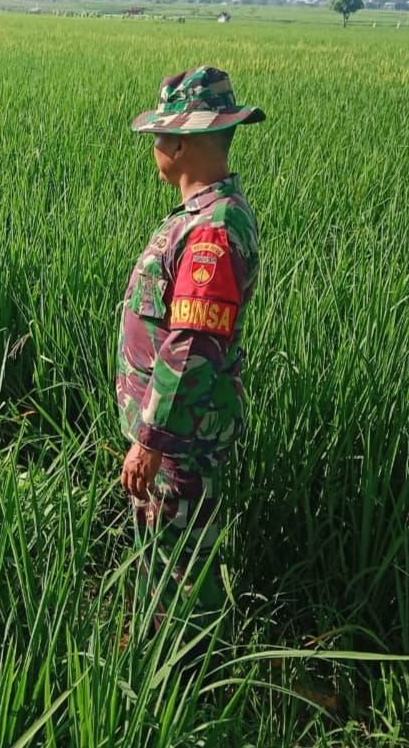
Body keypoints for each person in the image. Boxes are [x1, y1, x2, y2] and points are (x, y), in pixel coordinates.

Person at [116, 66, 264, 646]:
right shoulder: (204, 216)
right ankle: (158, 654)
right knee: (161, 553)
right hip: (177, 436)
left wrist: (150, 439)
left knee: (178, 569)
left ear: (181, 143)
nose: (154, 149)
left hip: (180, 440)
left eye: (159, 137)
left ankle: (182, 679)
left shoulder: (212, 230)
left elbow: (193, 346)